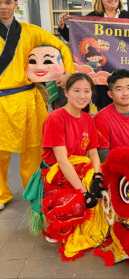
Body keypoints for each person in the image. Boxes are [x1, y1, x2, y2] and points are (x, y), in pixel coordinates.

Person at [0, 0, 73, 212]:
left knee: (33, 151)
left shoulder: (30, 31)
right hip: (1, 101)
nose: (3, 7)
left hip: (29, 99)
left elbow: (60, 45)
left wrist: (67, 71)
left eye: (8, 2)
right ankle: (1, 194)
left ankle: (34, 194)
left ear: (16, 4)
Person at [24, 73, 106, 258]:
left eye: (86, 91)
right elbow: (62, 161)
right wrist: (84, 192)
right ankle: (52, 217)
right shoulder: (56, 118)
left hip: (77, 168)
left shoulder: (87, 119)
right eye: (76, 91)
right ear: (66, 93)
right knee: (76, 205)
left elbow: (93, 152)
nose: (82, 96)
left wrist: (98, 177)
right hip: (56, 173)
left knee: (103, 192)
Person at [57, 0, 129, 109]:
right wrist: (62, 27)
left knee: (128, 106)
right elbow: (76, 38)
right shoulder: (92, 17)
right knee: (105, 107)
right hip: (103, 71)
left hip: (125, 68)